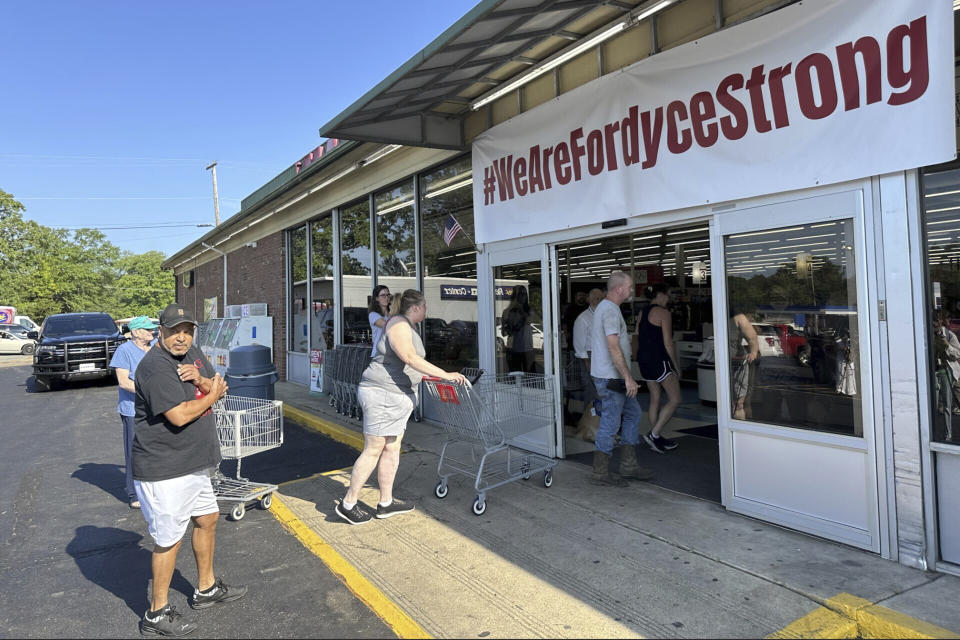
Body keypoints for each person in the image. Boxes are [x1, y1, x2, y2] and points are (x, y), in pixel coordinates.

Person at [132, 303, 246, 636]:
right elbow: (180, 415)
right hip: (165, 468)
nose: (182, 338)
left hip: (193, 463)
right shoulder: (154, 367)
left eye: (187, 330)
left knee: (207, 519)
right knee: (168, 540)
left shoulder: (191, 352)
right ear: (160, 331)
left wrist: (201, 378)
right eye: (174, 331)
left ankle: (206, 589)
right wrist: (212, 395)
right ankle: (156, 613)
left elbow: (215, 383)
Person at [336, 290, 467, 524]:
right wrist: (446, 375)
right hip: (383, 394)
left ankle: (385, 503)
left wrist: (430, 377)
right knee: (374, 448)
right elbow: (409, 357)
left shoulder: (408, 326)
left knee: (391, 448)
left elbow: (410, 365)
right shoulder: (398, 323)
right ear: (415, 307)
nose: (427, 310)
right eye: (425, 306)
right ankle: (349, 503)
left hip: (396, 395)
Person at [589, 271, 653, 486]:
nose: (632, 290)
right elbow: (613, 346)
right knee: (610, 421)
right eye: (629, 287)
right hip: (611, 378)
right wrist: (628, 377)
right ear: (618, 289)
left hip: (612, 376)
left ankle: (628, 465)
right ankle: (600, 473)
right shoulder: (609, 311)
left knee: (633, 413)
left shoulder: (609, 309)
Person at [109, 315, 157, 508]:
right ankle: (133, 493)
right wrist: (150, 393)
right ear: (136, 332)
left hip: (156, 408)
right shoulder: (124, 351)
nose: (152, 332)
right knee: (135, 451)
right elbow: (123, 381)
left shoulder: (154, 347)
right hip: (133, 410)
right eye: (148, 330)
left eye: (152, 329)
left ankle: (154, 488)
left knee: (155, 449)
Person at [635, 284, 682, 454]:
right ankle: (654, 434)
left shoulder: (642, 312)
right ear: (660, 295)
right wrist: (676, 365)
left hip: (644, 360)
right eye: (668, 295)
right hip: (659, 360)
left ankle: (655, 436)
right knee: (675, 399)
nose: (669, 299)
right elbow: (668, 342)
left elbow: (637, 336)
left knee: (655, 398)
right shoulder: (664, 313)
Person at [572, 288, 604, 418]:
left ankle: (603, 424)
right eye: (596, 298)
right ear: (589, 300)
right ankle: (589, 424)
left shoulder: (604, 315)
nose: (599, 300)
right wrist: (588, 365)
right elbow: (579, 346)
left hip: (603, 356)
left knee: (603, 392)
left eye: (601, 298)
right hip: (589, 358)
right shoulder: (582, 319)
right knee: (592, 392)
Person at [729, 307, 759, 420]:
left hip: (737, 363)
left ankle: (740, 426)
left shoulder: (738, 317)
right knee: (728, 403)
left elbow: (752, 337)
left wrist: (753, 353)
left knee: (739, 403)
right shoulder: (716, 316)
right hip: (722, 364)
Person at [501, 285, 535, 373]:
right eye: (521, 294)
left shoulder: (528, 310)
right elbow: (504, 332)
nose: (524, 296)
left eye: (525, 294)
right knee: (514, 377)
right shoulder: (507, 312)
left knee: (531, 379)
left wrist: (520, 309)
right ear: (515, 296)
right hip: (513, 350)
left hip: (527, 349)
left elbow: (529, 320)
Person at [368, 285, 392, 357]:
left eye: (388, 295)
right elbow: (388, 326)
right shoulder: (373, 315)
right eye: (383, 295)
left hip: (391, 354)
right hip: (379, 355)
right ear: (377, 298)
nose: (386, 298)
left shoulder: (392, 313)